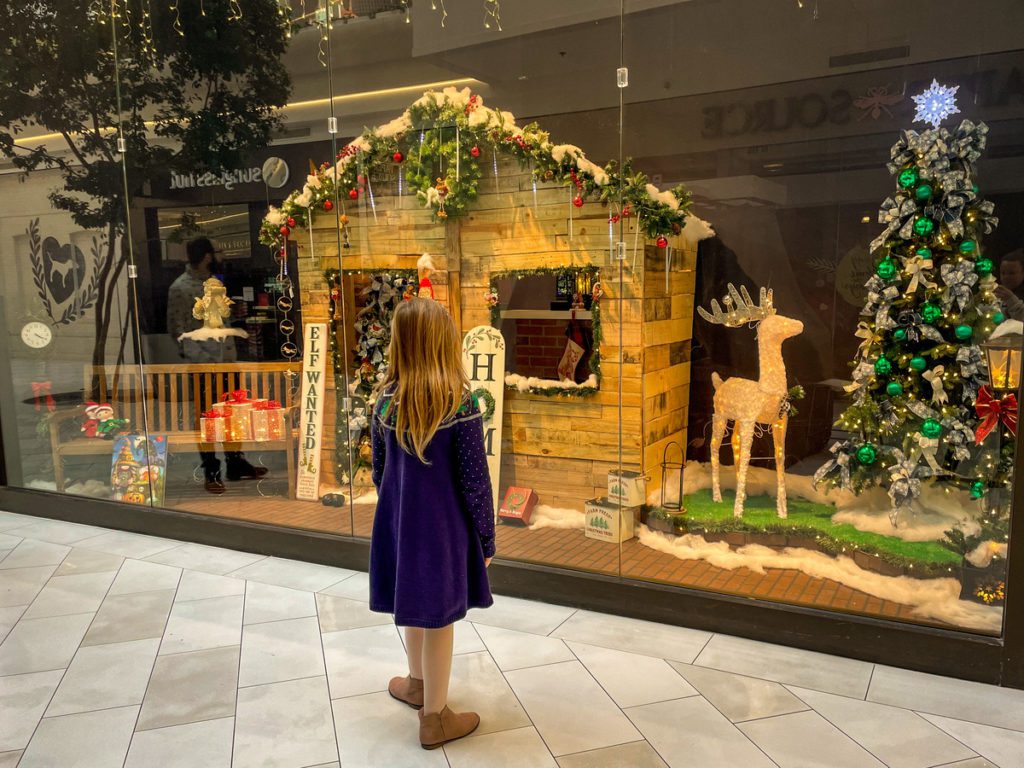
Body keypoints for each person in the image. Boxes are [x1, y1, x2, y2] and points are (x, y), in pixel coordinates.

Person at [369, 297, 495, 750]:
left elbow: (378, 471)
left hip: (400, 528)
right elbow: (475, 483)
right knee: (440, 618)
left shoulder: (384, 402)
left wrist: (398, 511)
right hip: (444, 533)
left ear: (401, 343)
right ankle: (436, 716)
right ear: (444, 344)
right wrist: (485, 540)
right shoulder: (460, 404)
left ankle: (417, 683)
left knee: (415, 605)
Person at [167, 237, 267, 494]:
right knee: (206, 417)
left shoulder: (214, 283)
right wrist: (200, 359)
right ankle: (211, 469)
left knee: (233, 412)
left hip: (227, 362)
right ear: (207, 256)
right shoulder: (181, 287)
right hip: (203, 366)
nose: (220, 257)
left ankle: (235, 462)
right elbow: (177, 329)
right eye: (216, 252)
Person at [995, 248, 1024, 321]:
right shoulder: (996, 292)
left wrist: (1011, 300)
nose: (1006, 277)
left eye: (1012, 273)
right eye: (1003, 273)